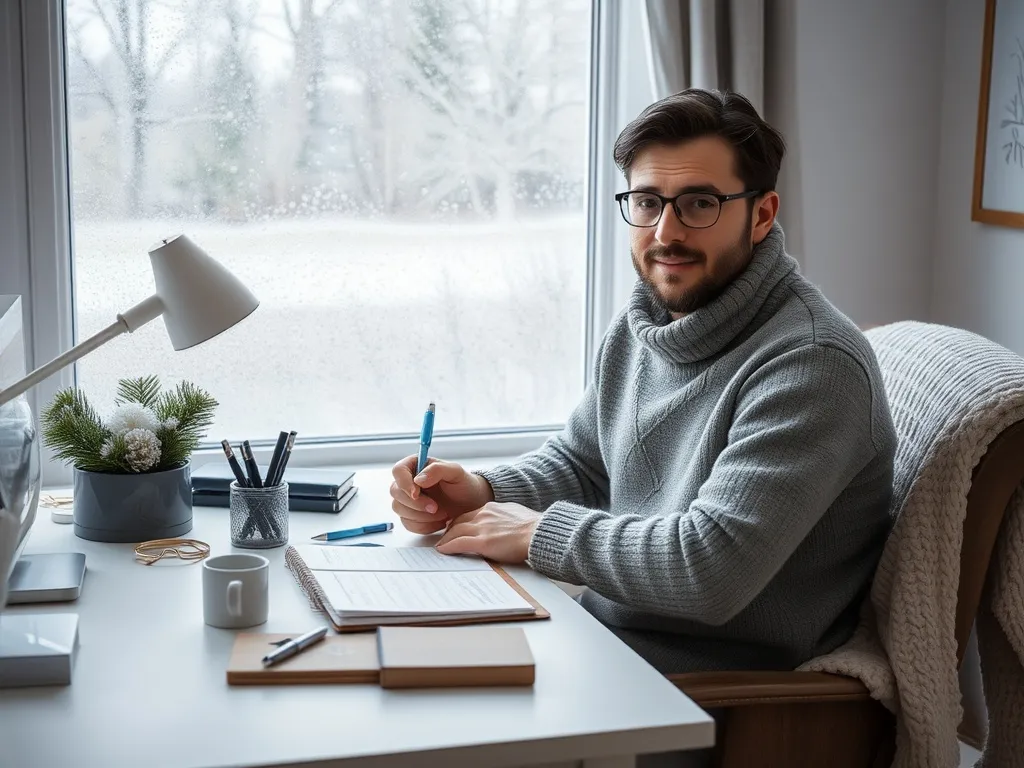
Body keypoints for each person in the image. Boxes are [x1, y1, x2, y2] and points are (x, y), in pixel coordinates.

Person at [390, 88, 897, 681]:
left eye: (699, 203)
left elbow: (710, 570)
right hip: (601, 641)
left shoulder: (813, 364)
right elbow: (586, 465)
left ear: (761, 214)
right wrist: (481, 490)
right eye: (648, 202)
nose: (665, 233)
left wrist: (533, 532)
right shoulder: (648, 322)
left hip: (708, 692)